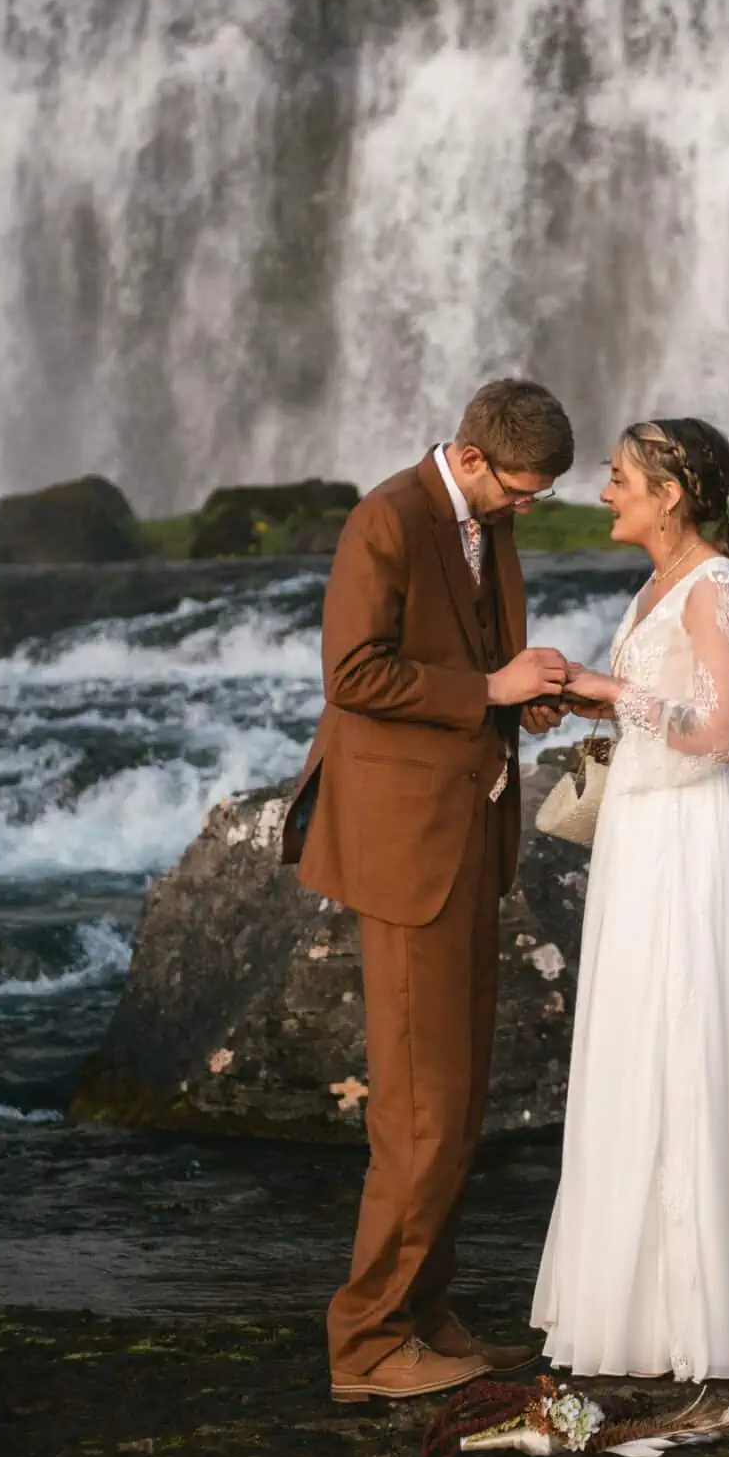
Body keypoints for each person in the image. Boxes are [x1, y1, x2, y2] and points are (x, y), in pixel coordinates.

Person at [282, 377, 576, 1402]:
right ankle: (365, 1344)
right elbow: (352, 674)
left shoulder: (480, 520)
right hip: (406, 850)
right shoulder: (386, 519)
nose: (528, 510)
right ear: (479, 459)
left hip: (462, 836)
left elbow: (469, 655)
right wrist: (485, 693)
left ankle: (425, 1312)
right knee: (416, 1109)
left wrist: (519, 701)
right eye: (525, 493)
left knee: (452, 1103)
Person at [534, 417, 729, 1382]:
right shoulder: (659, 583)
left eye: (618, 479)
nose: (604, 493)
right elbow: (662, 706)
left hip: (692, 841)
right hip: (644, 833)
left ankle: (698, 1319)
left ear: (671, 493)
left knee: (684, 1047)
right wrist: (585, 698)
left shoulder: (717, 583)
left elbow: (723, 733)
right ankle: (638, 1312)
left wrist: (608, 688)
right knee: (635, 1053)